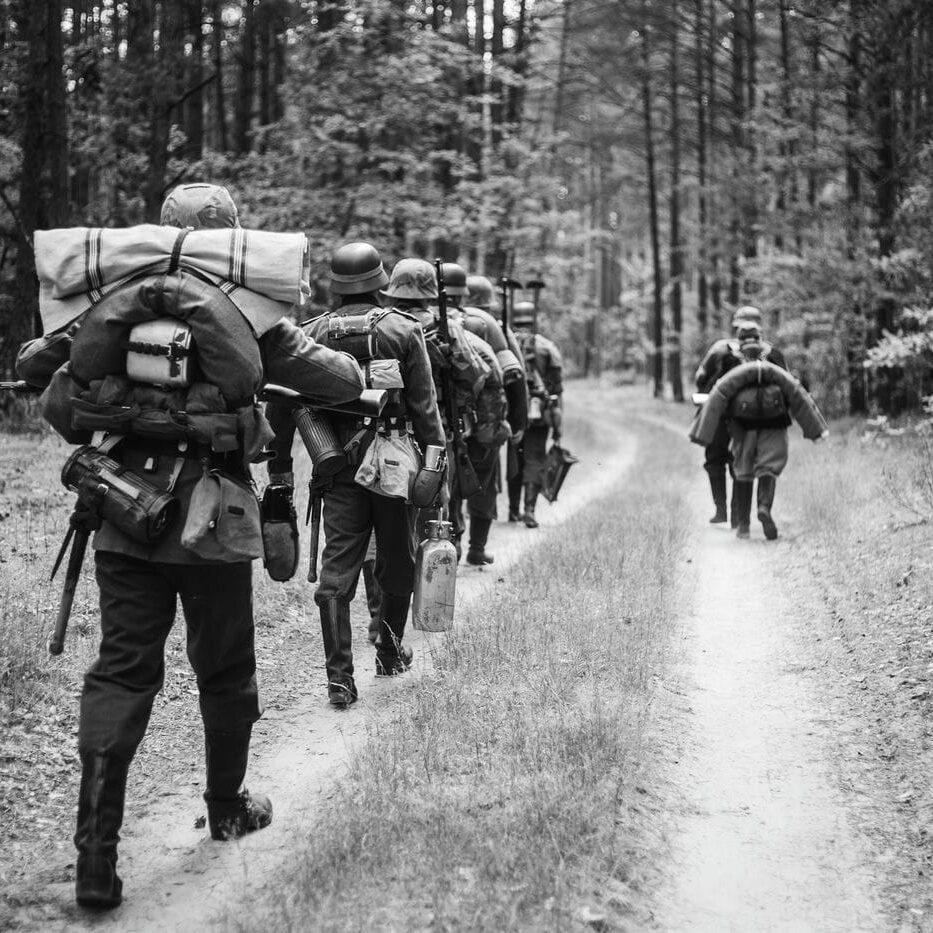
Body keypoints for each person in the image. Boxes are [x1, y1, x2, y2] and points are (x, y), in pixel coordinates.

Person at [36, 184, 366, 909]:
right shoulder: (247, 314)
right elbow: (338, 379)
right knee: (224, 670)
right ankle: (225, 807)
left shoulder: (111, 305)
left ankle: (95, 857)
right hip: (212, 521)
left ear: (164, 232)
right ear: (230, 237)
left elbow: (41, 368)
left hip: (122, 510)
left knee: (121, 673)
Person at [266, 244, 445, 709]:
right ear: (379, 282)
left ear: (335, 285)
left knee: (336, 571)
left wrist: (280, 471)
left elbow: (280, 406)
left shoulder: (310, 333)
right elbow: (426, 410)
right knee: (397, 563)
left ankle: (339, 679)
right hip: (393, 467)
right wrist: (434, 470)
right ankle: (388, 652)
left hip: (337, 468)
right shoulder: (404, 331)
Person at [690, 320, 827, 539]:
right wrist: (816, 430)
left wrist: (702, 433)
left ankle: (743, 526)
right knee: (768, 467)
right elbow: (794, 392)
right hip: (775, 424)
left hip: (742, 426)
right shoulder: (774, 357)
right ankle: (764, 508)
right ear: (760, 337)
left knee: (743, 470)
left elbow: (718, 395)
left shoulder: (730, 358)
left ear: (739, 339)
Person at [443, 263, 527, 564]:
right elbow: (515, 375)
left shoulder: (425, 321)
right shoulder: (488, 324)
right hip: (484, 420)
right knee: (484, 483)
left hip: (442, 421)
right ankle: (477, 548)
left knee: (446, 483)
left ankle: (451, 546)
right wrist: (518, 422)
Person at [694, 305, 787, 524]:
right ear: (760, 329)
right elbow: (787, 382)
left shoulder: (719, 349)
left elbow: (701, 377)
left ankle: (721, 511)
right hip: (756, 420)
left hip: (720, 414)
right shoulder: (771, 352)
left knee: (715, 459)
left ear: (734, 326)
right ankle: (739, 515)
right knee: (742, 463)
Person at [507, 300, 563, 528]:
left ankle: (513, 510)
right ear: (534, 320)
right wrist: (559, 426)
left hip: (512, 413)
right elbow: (557, 390)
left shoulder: (507, 343)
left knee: (514, 458)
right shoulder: (547, 347)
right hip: (540, 413)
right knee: (535, 458)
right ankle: (529, 510)